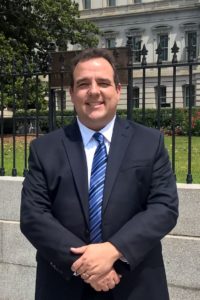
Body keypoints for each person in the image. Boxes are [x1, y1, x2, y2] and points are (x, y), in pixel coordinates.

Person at [20, 48, 178, 300]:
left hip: (136, 284)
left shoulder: (150, 142)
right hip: (64, 286)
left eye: (103, 82)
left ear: (118, 89)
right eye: (83, 84)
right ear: (71, 93)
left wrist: (114, 250)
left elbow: (164, 207)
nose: (94, 91)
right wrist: (88, 267)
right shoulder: (44, 149)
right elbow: (33, 216)